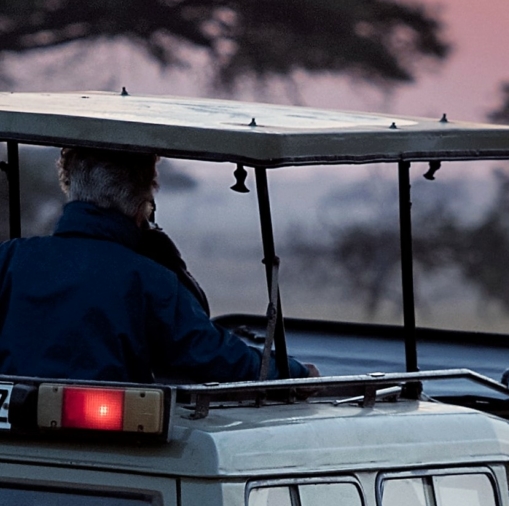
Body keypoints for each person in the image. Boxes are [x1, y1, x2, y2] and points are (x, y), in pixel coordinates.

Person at [0, 146, 311, 383]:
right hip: (110, 448)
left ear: (71, 187)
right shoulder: (150, 280)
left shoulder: (10, 258)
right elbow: (209, 354)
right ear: (141, 203)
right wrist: (294, 373)